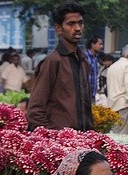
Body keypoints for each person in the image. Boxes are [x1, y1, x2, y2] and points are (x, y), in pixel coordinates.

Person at [27, 2, 93, 131]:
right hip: (59, 140)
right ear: (58, 29)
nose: (78, 28)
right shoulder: (53, 61)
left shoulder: (83, 60)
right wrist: (49, 136)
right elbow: (36, 108)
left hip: (82, 138)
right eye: (71, 24)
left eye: (80, 23)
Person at [106, 44, 128, 135]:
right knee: (126, 135)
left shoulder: (113, 66)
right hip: (126, 105)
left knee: (116, 134)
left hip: (113, 105)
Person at [85, 35, 104, 100]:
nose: (102, 46)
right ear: (92, 44)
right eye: (100, 44)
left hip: (92, 95)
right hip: (84, 95)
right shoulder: (85, 57)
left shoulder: (95, 58)